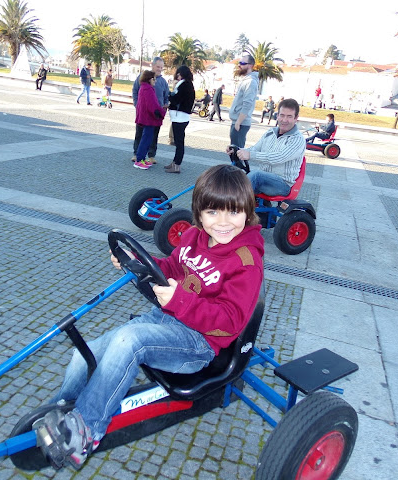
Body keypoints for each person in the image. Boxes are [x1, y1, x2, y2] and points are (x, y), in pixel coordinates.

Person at [35, 164, 264, 471]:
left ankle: (86, 430)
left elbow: (231, 321)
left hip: (199, 343)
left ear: (247, 212)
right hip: (166, 320)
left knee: (131, 340)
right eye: (213, 212)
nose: (223, 222)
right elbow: (170, 268)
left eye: (233, 212)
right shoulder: (194, 236)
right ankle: (62, 410)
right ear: (199, 212)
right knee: (84, 354)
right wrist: (137, 262)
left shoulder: (246, 262)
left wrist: (180, 301)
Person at [226, 98, 305, 197]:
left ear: (296, 118)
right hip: (264, 179)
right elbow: (255, 149)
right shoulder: (270, 133)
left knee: (256, 176)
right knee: (232, 174)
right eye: (282, 115)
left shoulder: (297, 139)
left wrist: (250, 155)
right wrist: (238, 150)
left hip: (283, 184)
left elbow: (278, 157)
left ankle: (232, 203)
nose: (284, 120)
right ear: (277, 115)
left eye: (289, 116)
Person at [131, 57, 170, 164]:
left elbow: (166, 96)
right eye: (158, 66)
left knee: (153, 135)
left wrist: (164, 108)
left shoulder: (163, 82)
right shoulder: (142, 78)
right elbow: (135, 91)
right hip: (144, 114)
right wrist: (137, 105)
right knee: (140, 134)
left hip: (156, 115)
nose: (159, 69)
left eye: (161, 67)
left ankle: (151, 155)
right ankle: (136, 153)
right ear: (152, 65)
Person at [164, 65, 196, 174]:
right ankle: (175, 163)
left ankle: (176, 165)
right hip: (181, 117)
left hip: (180, 117)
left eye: (178, 73)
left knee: (179, 142)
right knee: (178, 141)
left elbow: (177, 99)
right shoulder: (188, 84)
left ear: (181, 74)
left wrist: (169, 95)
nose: (177, 76)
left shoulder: (184, 85)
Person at [228, 54, 259, 148]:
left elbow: (247, 104)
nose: (239, 65)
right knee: (234, 151)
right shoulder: (246, 80)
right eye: (239, 63)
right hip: (238, 122)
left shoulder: (250, 82)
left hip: (241, 123)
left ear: (250, 66)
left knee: (237, 152)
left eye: (242, 63)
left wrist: (238, 122)